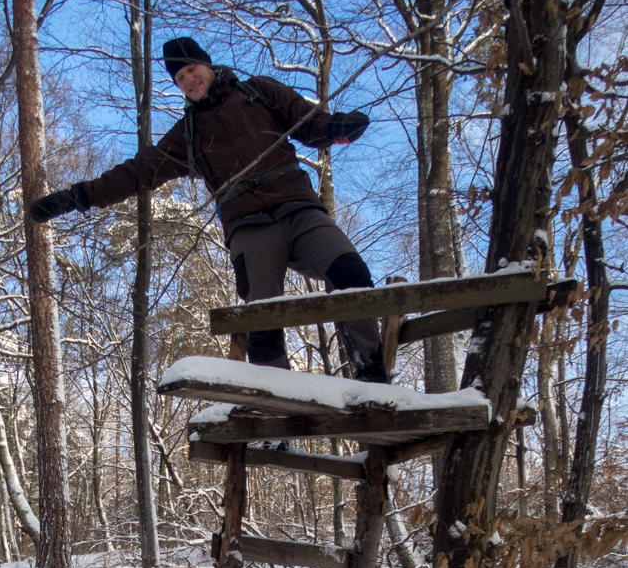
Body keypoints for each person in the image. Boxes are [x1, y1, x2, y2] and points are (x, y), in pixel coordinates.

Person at [31, 36, 387, 382]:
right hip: (249, 228)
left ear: (207, 64)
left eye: (191, 70)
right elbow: (137, 173)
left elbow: (309, 123)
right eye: (180, 79)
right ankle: (280, 412)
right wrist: (77, 197)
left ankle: (369, 371)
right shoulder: (188, 133)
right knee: (261, 322)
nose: (188, 81)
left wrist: (339, 128)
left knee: (350, 272)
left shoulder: (258, 92)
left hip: (300, 208)